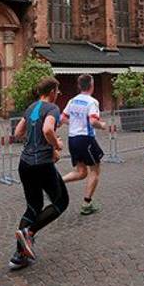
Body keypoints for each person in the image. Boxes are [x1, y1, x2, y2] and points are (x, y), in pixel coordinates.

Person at [9, 77, 69, 270]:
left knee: (33, 207)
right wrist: (56, 144)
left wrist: (36, 141)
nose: (57, 94)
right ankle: (29, 232)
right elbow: (48, 129)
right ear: (51, 91)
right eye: (57, 91)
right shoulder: (52, 108)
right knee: (61, 202)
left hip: (25, 164)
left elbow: (18, 133)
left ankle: (19, 256)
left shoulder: (30, 108)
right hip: (42, 164)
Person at [61, 74, 107, 215]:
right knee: (95, 170)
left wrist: (74, 123)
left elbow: (63, 118)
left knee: (81, 172)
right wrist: (102, 125)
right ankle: (87, 204)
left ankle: (55, 182)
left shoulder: (72, 100)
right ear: (91, 86)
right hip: (86, 139)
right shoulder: (92, 102)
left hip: (72, 139)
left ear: (79, 86)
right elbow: (93, 121)